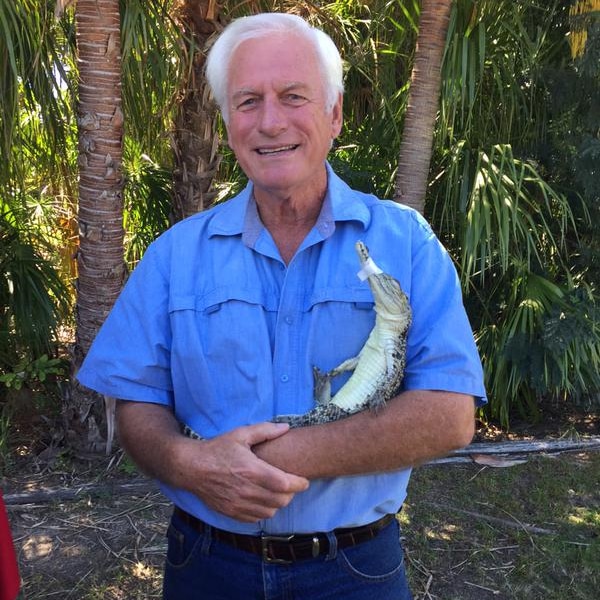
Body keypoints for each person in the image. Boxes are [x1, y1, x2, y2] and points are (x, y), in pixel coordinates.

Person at [77, 12, 486, 599]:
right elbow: (137, 400)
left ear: (335, 113)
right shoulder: (175, 255)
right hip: (207, 565)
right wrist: (188, 465)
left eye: (293, 96)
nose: (270, 122)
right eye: (247, 101)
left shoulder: (407, 243)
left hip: (354, 570)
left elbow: (450, 413)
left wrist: (278, 458)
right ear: (227, 120)